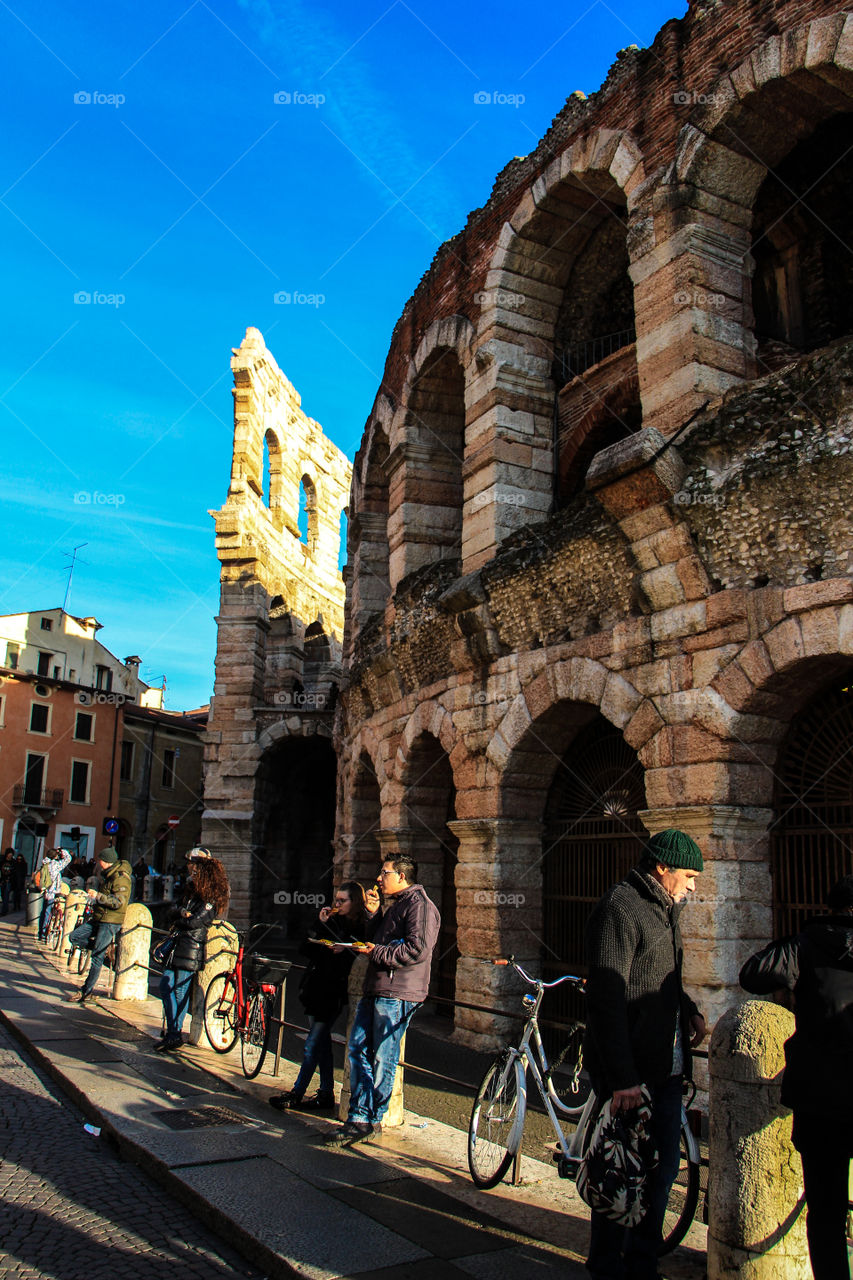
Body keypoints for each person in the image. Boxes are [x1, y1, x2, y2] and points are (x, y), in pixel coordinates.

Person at [583, 828, 707, 1280]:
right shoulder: (621, 907)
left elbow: (659, 977)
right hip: (632, 1073)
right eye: (688, 876)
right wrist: (622, 1079)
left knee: (663, 1170)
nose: (692, 886)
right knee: (621, 1169)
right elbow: (606, 998)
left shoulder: (665, 909)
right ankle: (606, 1266)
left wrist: (688, 1010)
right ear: (662, 868)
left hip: (666, 1069)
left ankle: (642, 1263)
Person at [740, 874, 853, 1280]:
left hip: (820, 1099)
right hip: (827, 1097)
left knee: (825, 1213)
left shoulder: (806, 946)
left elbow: (753, 973)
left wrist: (798, 942)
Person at [324, 855, 440, 1147]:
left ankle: (370, 1117)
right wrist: (374, 915)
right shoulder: (397, 905)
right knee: (357, 1048)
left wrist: (375, 952)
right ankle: (360, 1116)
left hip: (398, 992)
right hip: (378, 987)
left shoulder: (420, 906)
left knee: (382, 1057)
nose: (378, 878)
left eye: (385, 873)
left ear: (402, 876)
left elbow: (417, 949)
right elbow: (383, 939)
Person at [270, 880, 367, 1113]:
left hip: (333, 993)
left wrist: (347, 948)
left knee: (312, 1045)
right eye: (336, 900)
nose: (337, 904)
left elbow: (364, 952)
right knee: (322, 1045)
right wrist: (319, 924)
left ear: (354, 902)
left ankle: (297, 1093)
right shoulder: (332, 920)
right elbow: (306, 949)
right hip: (315, 989)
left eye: (342, 901)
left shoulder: (361, 927)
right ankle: (325, 1093)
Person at [155, 848, 229, 1052]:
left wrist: (181, 918)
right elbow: (172, 910)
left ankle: (174, 1034)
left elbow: (196, 921)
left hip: (191, 947)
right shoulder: (190, 888)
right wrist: (181, 913)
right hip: (178, 943)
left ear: (199, 867)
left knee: (179, 990)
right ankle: (174, 1031)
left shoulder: (212, 893)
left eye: (191, 863)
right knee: (165, 984)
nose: (188, 866)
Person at [64, 848, 132, 1004]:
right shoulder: (108, 875)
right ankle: (101, 949)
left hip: (110, 921)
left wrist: (98, 896)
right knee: (74, 937)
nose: (98, 863)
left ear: (106, 861)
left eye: (100, 860)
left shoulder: (120, 878)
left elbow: (119, 902)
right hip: (99, 917)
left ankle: (86, 992)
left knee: (96, 958)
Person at [37, 848, 72, 941]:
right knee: (48, 911)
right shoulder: (55, 865)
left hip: (45, 890)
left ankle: (40, 932)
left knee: (44, 911)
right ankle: (44, 932)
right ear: (55, 856)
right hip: (52, 891)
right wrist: (62, 851)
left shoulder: (45, 863)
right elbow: (68, 859)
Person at [0, 849, 14, 916]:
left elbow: (14, 872)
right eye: (9, 854)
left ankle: (4, 910)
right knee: (3, 895)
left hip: (9, 881)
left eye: (11, 854)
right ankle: (4, 908)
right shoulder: (2, 861)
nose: (10, 855)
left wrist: (11, 879)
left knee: (6, 895)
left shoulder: (13, 862)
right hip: (2, 880)